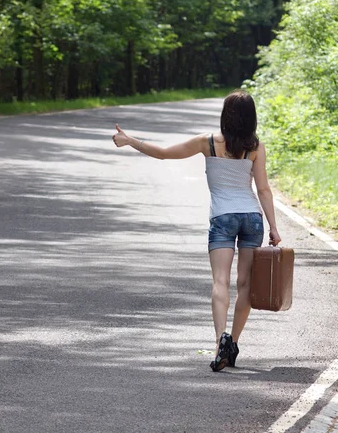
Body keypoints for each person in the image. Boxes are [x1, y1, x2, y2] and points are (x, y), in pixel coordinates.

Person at [112, 90, 281, 372]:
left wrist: (131, 141)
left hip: (223, 218)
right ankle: (234, 342)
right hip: (252, 217)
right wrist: (274, 227)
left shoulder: (209, 143)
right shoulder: (256, 147)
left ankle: (219, 343)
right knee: (246, 286)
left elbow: (165, 154)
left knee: (220, 282)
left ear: (225, 115)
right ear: (252, 118)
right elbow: (263, 189)